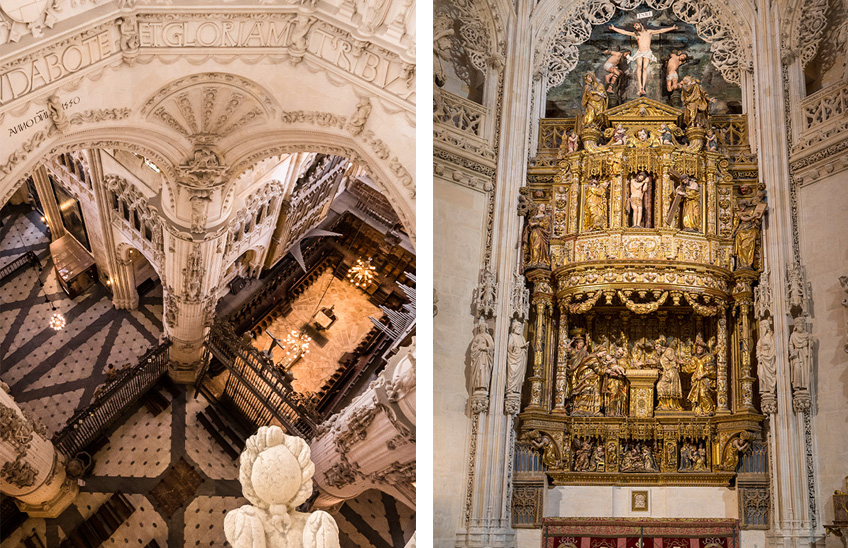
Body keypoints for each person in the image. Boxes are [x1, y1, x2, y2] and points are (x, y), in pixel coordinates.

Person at [609, 21, 679, 96]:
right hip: (640, 52)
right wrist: (614, 28)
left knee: (644, 68)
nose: (636, 27)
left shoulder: (649, 32)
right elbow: (624, 32)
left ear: (640, 24)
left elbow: (660, 30)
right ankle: (640, 87)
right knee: (639, 67)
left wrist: (672, 28)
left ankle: (643, 88)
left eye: (636, 25)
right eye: (635, 27)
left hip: (647, 52)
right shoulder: (636, 34)